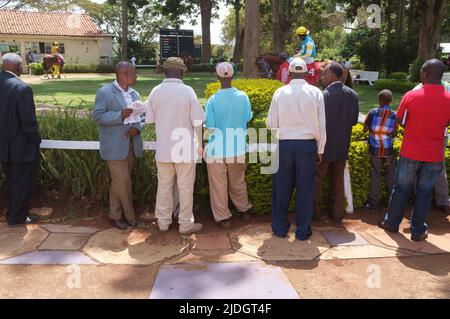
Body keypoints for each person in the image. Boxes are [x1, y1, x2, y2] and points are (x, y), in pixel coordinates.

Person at [379, 59, 450, 241]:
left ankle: (392, 223)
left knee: (401, 188)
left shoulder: (411, 95)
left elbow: (400, 121)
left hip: (411, 151)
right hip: (434, 154)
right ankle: (418, 230)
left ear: (424, 74)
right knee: (425, 192)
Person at [267, 58, 326, 241]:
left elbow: (271, 124)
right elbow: (322, 124)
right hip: (307, 146)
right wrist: (320, 148)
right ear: (307, 72)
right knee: (305, 189)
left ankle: (280, 228)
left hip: (284, 145)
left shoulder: (280, 92)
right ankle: (302, 230)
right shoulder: (316, 92)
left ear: (290, 73)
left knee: (281, 189)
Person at [145, 57, 205, 235]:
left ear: (164, 71)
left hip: (164, 149)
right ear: (182, 72)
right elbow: (198, 121)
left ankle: (163, 222)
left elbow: (149, 120)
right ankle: (185, 224)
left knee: (163, 186)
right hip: (185, 149)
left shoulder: (155, 91)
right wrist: (200, 145)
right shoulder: (188, 91)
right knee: (186, 188)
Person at [93, 62, 143, 230]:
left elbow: (141, 116)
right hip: (114, 146)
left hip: (132, 145)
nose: (136, 76)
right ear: (124, 74)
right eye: (134, 73)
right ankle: (130, 217)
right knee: (123, 182)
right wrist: (119, 115)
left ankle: (114, 216)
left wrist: (137, 128)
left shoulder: (135, 94)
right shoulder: (104, 92)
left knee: (119, 182)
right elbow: (98, 117)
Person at [204, 62, 253, 229]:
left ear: (217, 77)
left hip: (216, 149)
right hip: (237, 147)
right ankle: (244, 209)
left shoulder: (212, 100)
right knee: (238, 181)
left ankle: (223, 217)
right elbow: (247, 117)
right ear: (232, 76)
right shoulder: (243, 96)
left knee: (218, 186)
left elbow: (210, 126)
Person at [314, 62, 359, 222]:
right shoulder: (353, 95)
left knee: (317, 180)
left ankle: (315, 213)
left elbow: (317, 123)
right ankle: (337, 213)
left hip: (324, 147)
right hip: (342, 146)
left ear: (332, 76)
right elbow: (354, 121)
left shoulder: (323, 95)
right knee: (337, 180)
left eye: (324, 74)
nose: (322, 77)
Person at [0, 53, 42, 226]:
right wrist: (37, 139)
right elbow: (28, 122)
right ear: (18, 67)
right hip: (21, 147)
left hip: (3, 145)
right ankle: (17, 217)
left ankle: (10, 212)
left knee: (10, 180)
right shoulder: (22, 88)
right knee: (22, 183)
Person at [413, 80, 450, 215]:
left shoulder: (418, 88)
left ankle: (422, 203)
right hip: (440, 136)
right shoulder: (446, 87)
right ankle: (444, 202)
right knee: (439, 169)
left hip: (423, 136)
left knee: (419, 168)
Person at [363, 89, 398, 212]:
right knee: (391, 175)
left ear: (379, 100)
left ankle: (374, 205)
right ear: (391, 101)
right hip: (388, 149)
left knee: (376, 175)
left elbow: (364, 129)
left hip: (374, 149)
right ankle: (393, 204)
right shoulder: (394, 114)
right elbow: (394, 133)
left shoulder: (372, 112)